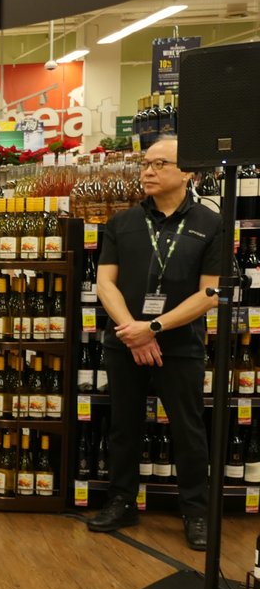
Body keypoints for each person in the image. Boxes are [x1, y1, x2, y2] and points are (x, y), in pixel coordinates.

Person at [90, 136, 223, 551]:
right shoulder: (122, 222)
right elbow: (104, 282)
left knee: (188, 430)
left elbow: (210, 293)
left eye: (159, 164)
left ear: (187, 173)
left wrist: (156, 328)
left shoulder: (211, 223)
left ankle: (196, 512)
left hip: (179, 345)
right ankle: (122, 501)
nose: (148, 171)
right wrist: (133, 328)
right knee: (123, 427)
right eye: (145, 164)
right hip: (125, 342)